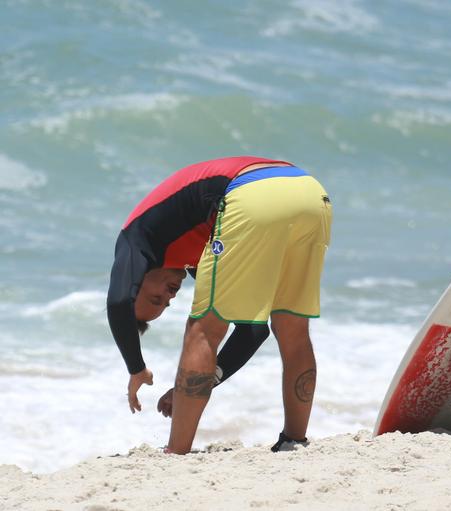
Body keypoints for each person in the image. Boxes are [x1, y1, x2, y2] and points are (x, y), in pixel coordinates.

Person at [107, 156, 332, 454]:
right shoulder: (193, 245)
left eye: (156, 298)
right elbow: (253, 331)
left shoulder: (136, 239)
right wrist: (204, 382)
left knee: (203, 329)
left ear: (137, 280)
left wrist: (136, 369)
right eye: (165, 304)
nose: (170, 296)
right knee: (291, 325)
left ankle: (176, 453)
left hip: (252, 193)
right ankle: (293, 440)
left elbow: (118, 302)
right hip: (311, 194)